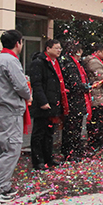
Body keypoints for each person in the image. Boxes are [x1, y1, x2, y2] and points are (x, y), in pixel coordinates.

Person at [0, 30, 31, 203]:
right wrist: (28, 96)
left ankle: (3, 186)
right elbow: (21, 86)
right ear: (18, 43)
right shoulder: (11, 61)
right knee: (12, 149)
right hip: (10, 110)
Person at [27, 39, 63, 170]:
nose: (59, 51)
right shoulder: (39, 63)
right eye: (56, 48)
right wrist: (43, 101)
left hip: (53, 102)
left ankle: (49, 158)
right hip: (43, 103)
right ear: (48, 48)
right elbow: (37, 84)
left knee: (49, 132)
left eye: (60, 48)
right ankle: (38, 161)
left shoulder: (56, 63)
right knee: (39, 133)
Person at [59, 41, 90, 162]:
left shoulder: (76, 64)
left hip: (77, 100)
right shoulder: (70, 64)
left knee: (76, 127)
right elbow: (74, 83)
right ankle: (70, 151)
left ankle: (75, 149)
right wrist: (84, 87)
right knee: (72, 127)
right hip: (73, 100)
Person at [83, 43, 103, 150]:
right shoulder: (95, 62)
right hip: (97, 95)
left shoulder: (95, 61)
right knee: (97, 120)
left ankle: (97, 141)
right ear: (98, 52)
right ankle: (95, 142)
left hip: (97, 94)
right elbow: (101, 78)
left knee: (98, 120)